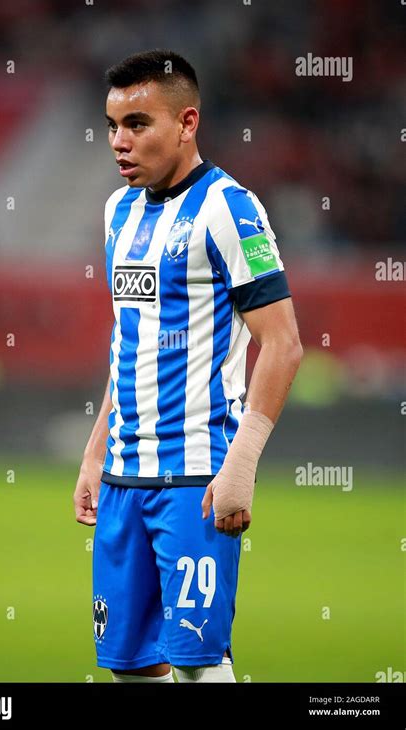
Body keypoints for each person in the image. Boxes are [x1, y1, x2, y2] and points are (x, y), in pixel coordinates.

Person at [73, 49, 303, 683]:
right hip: (124, 480)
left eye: (138, 123)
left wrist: (242, 465)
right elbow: (131, 345)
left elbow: (282, 343)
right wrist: (96, 453)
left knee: (199, 667)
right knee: (127, 668)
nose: (119, 142)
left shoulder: (231, 209)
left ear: (187, 122)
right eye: (112, 125)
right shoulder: (117, 213)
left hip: (196, 479)